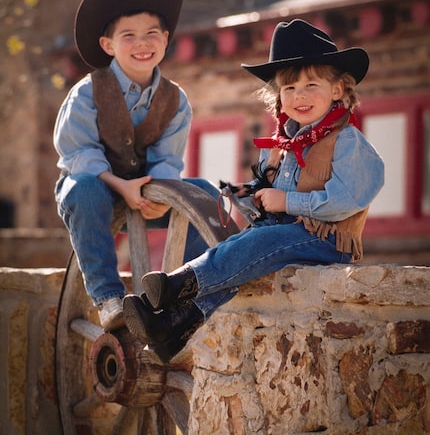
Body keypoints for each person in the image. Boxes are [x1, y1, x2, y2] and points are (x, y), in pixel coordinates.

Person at [123, 18, 385, 363]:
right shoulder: (279, 144)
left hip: (327, 239)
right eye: (289, 89)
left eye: (311, 86)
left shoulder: (347, 141)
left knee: (261, 243)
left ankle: (178, 284)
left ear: (337, 90)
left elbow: (345, 201)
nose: (299, 96)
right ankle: (175, 324)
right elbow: (269, 192)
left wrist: (287, 200)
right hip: (285, 230)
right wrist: (251, 196)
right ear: (278, 96)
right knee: (243, 248)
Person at [53, 0, 218, 331]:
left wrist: (160, 191)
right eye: (129, 36)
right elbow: (77, 153)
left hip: (145, 194)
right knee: (82, 188)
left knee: (203, 193)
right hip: (94, 191)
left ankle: (187, 292)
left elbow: (166, 159)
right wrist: (120, 186)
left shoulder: (175, 100)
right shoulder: (86, 93)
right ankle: (108, 298)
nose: (142, 44)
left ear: (165, 40)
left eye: (151, 34)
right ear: (108, 44)